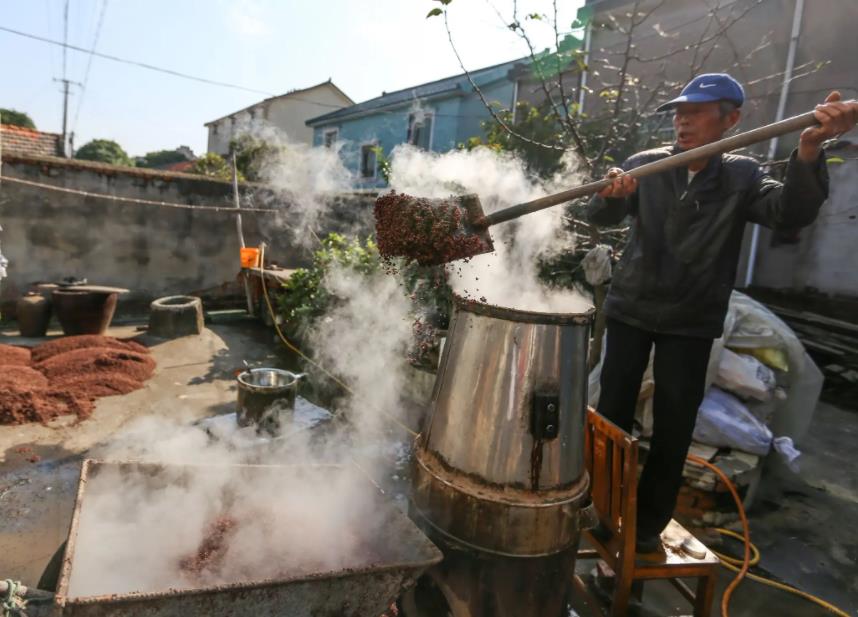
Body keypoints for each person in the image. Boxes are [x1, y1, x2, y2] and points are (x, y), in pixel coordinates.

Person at [587, 73, 858, 553]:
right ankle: (601, 509)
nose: (682, 120)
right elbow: (602, 217)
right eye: (678, 111)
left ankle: (647, 526)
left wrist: (811, 150)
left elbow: (789, 213)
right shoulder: (646, 166)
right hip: (632, 306)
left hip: (692, 318)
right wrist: (609, 196)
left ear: (731, 119)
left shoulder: (743, 175)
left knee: (673, 424)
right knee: (611, 414)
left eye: (697, 111)